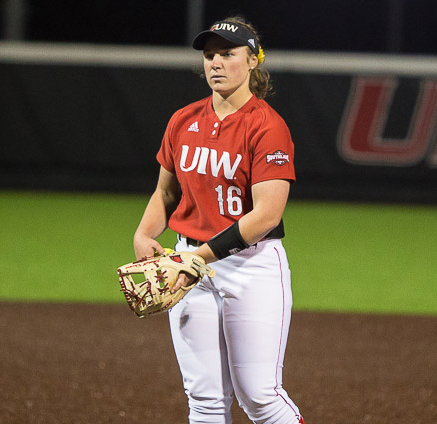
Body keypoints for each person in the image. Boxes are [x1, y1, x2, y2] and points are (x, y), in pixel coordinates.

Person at [132, 16, 304, 424]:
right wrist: (144, 233)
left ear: (252, 62)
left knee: (260, 397)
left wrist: (202, 257)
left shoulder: (268, 127)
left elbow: (266, 214)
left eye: (228, 54)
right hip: (188, 266)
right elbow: (166, 193)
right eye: (210, 55)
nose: (216, 63)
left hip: (251, 267)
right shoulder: (183, 121)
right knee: (204, 400)